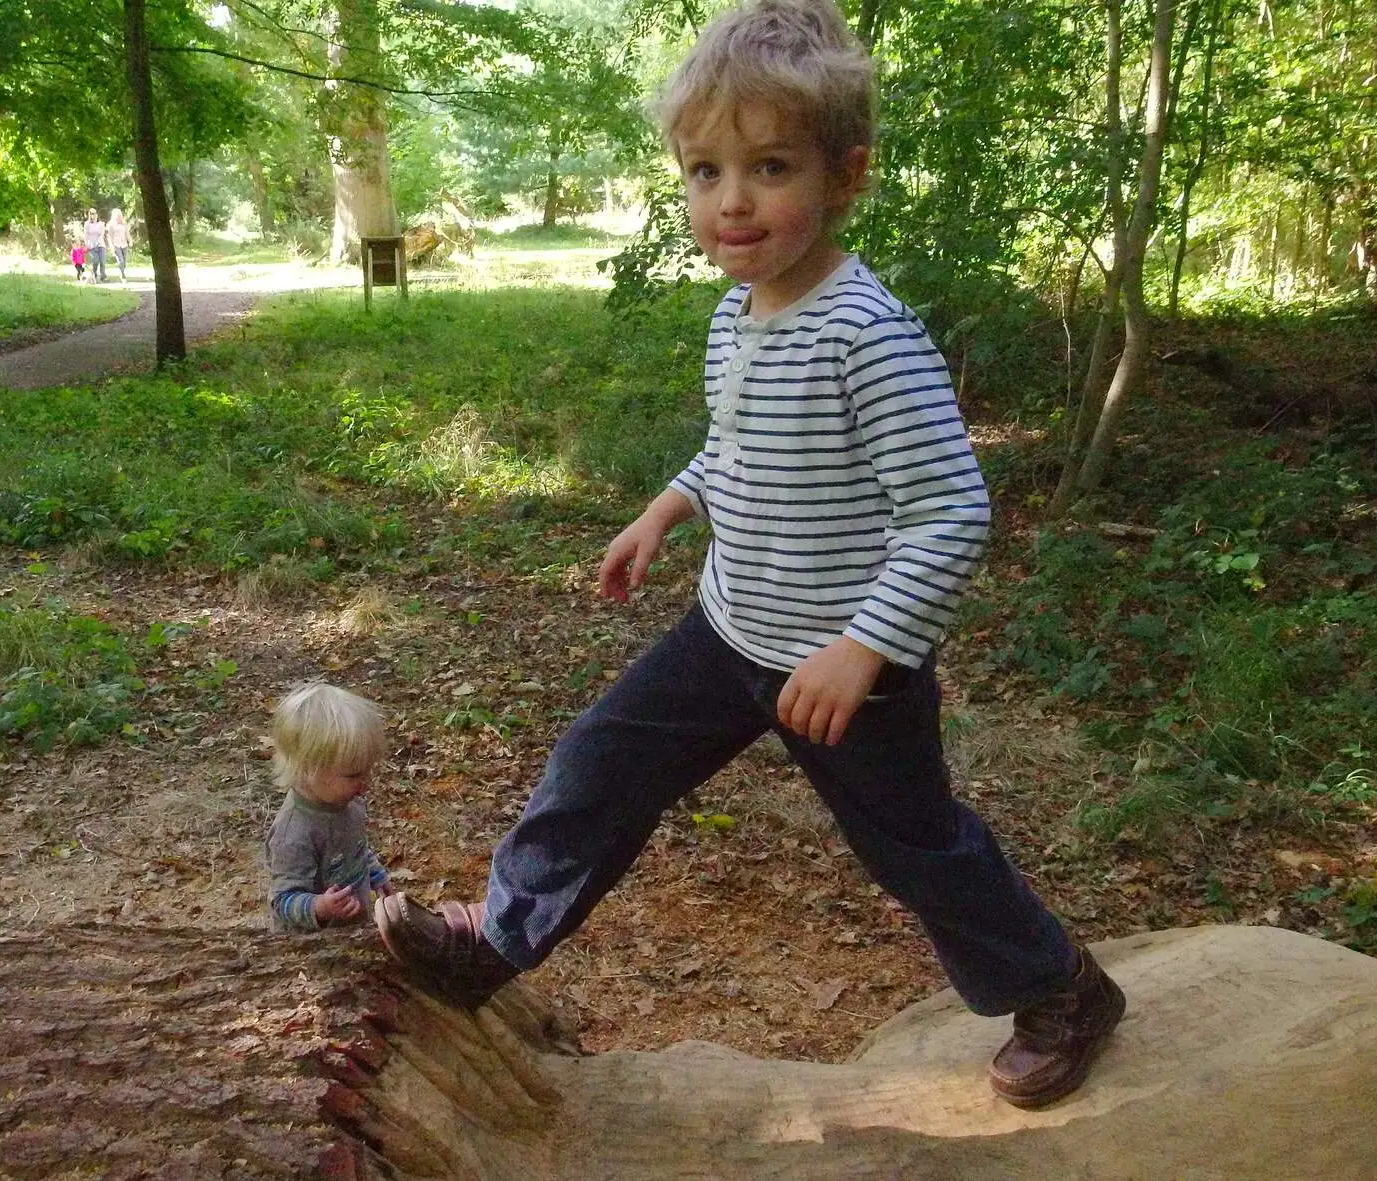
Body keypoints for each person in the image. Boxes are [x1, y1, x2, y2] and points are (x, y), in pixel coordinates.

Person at [375, 0, 1125, 1111]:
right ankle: (495, 941)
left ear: (845, 175)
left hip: (839, 673)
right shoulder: (737, 315)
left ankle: (1062, 990)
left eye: (769, 166)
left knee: (916, 847)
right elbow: (738, 442)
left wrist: (861, 648)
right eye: (703, 171)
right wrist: (668, 505)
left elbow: (949, 510)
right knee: (598, 762)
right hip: (727, 631)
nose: (731, 201)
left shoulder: (867, 334)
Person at [265, 681, 394, 932]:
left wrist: (375, 875)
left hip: (349, 931)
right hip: (312, 948)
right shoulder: (293, 834)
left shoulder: (348, 804)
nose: (365, 784)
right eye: (354, 775)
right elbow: (282, 900)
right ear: (309, 769)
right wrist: (319, 906)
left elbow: (356, 849)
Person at [83, 208, 107, 282]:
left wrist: (99, 240)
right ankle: (94, 273)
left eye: (94, 213)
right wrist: (86, 243)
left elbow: (102, 234)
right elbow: (86, 234)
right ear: (89, 215)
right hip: (92, 245)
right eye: (91, 213)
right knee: (95, 261)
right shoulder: (87, 224)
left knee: (102, 261)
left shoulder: (101, 224)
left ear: (97, 214)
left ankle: (103, 276)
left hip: (100, 245)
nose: (93, 215)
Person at [106, 208, 131, 281]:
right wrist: (112, 247)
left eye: (120, 215)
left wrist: (130, 240)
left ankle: (122, 271)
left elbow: (127, 233)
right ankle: (122, 275)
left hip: (124, 244)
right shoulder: (111, 225)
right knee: (121, 261)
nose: (119, 217)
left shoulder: (124, 224)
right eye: (117, 216)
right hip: (116, 245)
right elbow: (109, 237)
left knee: (125, 261)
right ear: (114, 216)